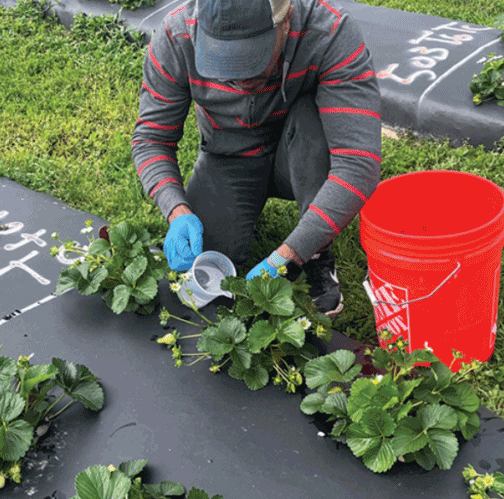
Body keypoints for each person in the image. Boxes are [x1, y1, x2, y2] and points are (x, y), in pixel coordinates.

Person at [132, 0, 381, 317]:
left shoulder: (329, 32)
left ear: (286, 21)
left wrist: (293, 253)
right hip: (229, 156)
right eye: (222, 62)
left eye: (252, 57)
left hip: (303, 152)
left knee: (312, 123)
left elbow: (358, 163)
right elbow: (152, 138)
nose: (239, 79)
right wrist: (176, 210)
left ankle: (317, 257)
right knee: (208, 264)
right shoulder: (176, 36)